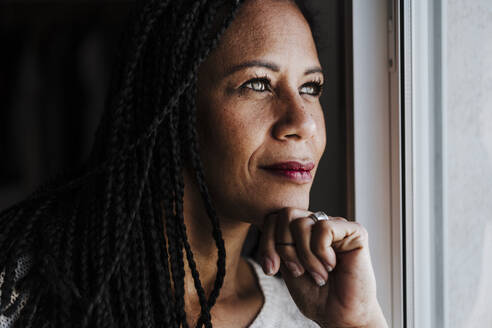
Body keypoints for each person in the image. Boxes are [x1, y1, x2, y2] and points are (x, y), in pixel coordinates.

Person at [0, 0, 388, 327]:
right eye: (257, 83)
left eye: (310, 88)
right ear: (175, 110)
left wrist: (359, 324)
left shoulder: (307, 315)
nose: (302, 122)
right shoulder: (24, 293)